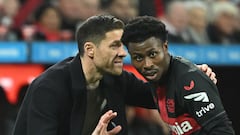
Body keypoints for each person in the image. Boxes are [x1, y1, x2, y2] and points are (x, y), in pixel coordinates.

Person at [12, 14, 217, 135]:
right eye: (115, 46)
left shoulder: (115, 78)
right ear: (90, 50)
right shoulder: (49, 88)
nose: (123, 52)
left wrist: (192, 78)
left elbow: (155, 95)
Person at [121, 16, 235, 134]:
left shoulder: (189, 81)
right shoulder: (158, 80)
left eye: (153, 54)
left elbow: (222, 131)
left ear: (165, 47)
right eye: (138, 57)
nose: (147, 64)